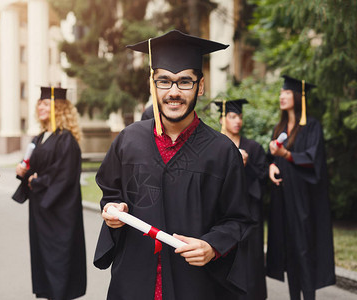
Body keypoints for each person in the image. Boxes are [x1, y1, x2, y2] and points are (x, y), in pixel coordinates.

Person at [93, 30, 253, 300]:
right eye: (164, 81)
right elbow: (111, 194)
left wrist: (212, 246)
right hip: (134, 281)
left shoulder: (222, 151)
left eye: (185, 82)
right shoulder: (128, 140)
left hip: (195, 285)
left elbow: (238, 219)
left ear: (200, 86)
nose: (174, 92)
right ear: (152, 85)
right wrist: (112, 210)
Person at [13, 87, 86, 300]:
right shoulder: (40, 137)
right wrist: (23, 171)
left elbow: (65, 176)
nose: (40, 107)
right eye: (40, 104)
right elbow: (34, 166)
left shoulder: (66, 139)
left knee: (59, 260)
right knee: (43, 259)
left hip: (58, 212)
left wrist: (38, 180)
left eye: (46, 104)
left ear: (60, 109)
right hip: (40, 210)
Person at [266, 75, 335, 300]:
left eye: (286, 92)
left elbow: (314, 159)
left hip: (304, 201)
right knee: (290, 252)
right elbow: (274, 160)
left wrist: (285, 154)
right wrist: (272, 167)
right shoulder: (280, 127)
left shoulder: (311, 126)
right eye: (281, 92)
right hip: (284, 198)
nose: (281, 96)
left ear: (297, 96)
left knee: (304, 250)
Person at [214, 99, 268, 300]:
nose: (238, 121)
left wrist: (246, 164)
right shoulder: (216, 147)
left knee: (252, 260)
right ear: (222, 119)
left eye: (240, 117)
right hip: (222, 214)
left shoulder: (253, 148)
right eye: (233, 117)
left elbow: (262, 179)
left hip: (250, 213)